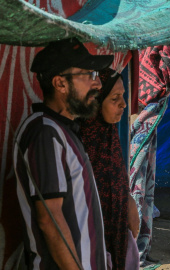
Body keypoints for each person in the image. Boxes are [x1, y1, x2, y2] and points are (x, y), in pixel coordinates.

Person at [13, 38, 113, 269]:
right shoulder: (45, 133)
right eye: (89, 74)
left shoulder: (62, 130)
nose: (97, 84)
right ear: (60, 83)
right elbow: (50, 219)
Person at [79, 69, 140, 270]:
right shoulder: (79, 140)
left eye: (122, 96)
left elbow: (116, 176)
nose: (123, 104)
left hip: (117, 225)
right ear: (96, 101)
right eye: (115, 98)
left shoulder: (110, 133)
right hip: (91, 233)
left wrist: (128, 200)